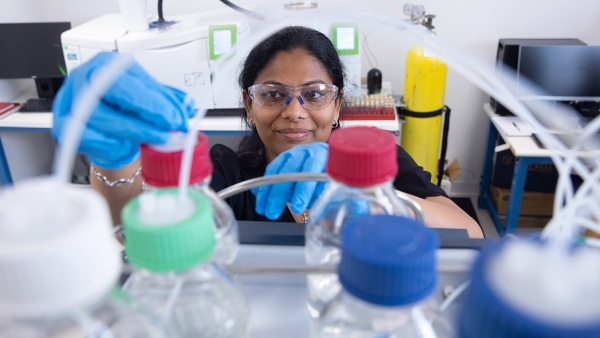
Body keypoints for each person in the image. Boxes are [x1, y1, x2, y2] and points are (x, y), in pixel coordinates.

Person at [52, 26, 483, 238]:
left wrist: (367, 194)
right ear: (249, 105)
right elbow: (127, 228)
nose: (295, 112)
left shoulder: (380, 164)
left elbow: (470, 233)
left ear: (337, 106)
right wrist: (114, 158)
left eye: (314, 94)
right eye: (273, 93)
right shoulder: (229, 172)